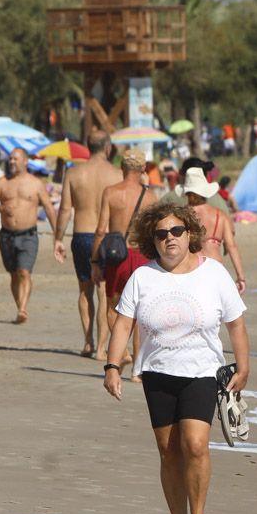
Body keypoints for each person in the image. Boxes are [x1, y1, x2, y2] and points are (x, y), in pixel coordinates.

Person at [102, 202, 249, 514]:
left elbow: (236, 323)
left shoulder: (212, 272)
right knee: (169, 451)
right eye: (161, 233)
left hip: (202, 372)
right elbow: (123, 323)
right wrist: (112, 366)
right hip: (157, 373)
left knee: (195, 446)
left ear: (190, 234)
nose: (170, 238)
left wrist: (244, 366)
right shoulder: (143, 277)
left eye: (177, 231)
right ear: (152, 239)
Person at [53, 130, 122, 359]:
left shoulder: (73, 173)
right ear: (108, 148)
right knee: (104, 292)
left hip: (81, 235)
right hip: (107, 237)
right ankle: (102, 348)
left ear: (86, 146)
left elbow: (64, 210)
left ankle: (88, 342)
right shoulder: (117, 174)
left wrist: (57, 238)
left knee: (84, 290)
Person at [91, 149, 159, 369]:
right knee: (140, 313)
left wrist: (95, 261)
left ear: (122, 168)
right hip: (142, 256)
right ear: (142, 170)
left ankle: (125, 352)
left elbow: (101, 230)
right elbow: (155, 231)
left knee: (113, 307)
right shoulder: (150, 197)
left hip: (117, 256)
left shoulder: (110, 192)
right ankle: (138, 372)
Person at [0, 147, 57, 324]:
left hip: (28, 235)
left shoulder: (36, 183)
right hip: (6, 236)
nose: (11, 162)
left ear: (25, 161)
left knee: (24, 272)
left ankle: (23, 308)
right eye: (10, 159)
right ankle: (20, 306)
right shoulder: (2, 182)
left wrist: (58, 234)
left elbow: (48, 207)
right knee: (14, 274)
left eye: (15, 159)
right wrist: (2, 208)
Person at [177, 167, 246, 293]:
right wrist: (241, 277)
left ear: (187, 193)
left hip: (190, 268)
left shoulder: (181, 215)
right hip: (215, 267)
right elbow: (231, 247)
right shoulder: (220, 215)